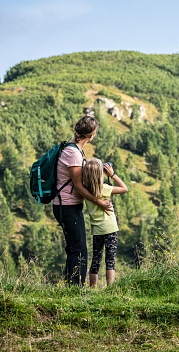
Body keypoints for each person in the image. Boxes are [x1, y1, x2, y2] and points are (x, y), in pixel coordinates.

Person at [53, 115, 112, 286]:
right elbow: (78, 186)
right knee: (79, 249)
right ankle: (75, 287)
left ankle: (71, 286)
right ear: (92, 135)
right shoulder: (73, 152)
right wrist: (99, 201)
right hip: (67, 206)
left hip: (68, 205)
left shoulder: (74, 149)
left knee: (75, 247)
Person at [82, 159, 128, 287]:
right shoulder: (105, 188)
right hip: (110, 228)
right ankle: (110, 288)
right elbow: (124, 188)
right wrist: (112, 175)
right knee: (110, 260)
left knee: (95, 260)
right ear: (100, 174)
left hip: (97, 229)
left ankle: (92, 288)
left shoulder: (85, 191)